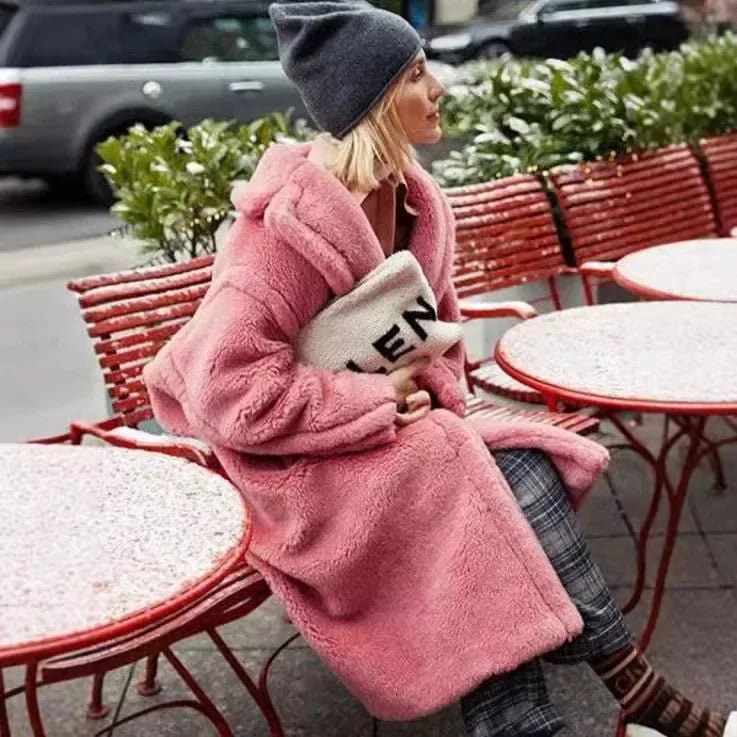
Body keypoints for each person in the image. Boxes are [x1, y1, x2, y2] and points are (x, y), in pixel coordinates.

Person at [142, 3, 737, 736]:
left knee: (516, 468)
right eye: (416, 74)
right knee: (462, 472)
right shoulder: (281, 235)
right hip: (291, 468)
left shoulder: (416, 201)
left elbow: (436, 341)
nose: (440, 87)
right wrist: (370, 401)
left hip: (390, 434)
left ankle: (567, 709)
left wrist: (420, 390)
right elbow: (226, 390)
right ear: (371, 100)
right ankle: (609, 702)